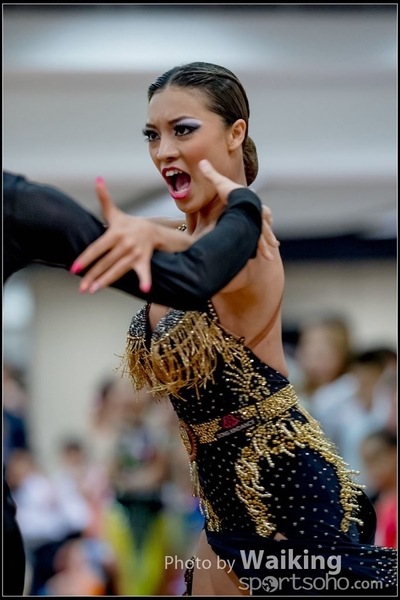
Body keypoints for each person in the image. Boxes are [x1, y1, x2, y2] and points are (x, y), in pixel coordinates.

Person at [3, 61, 397, 595]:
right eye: (152, 135)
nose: (163, 150)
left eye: (182, 130)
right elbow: (90, 241)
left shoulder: (248, 243)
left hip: (284, 489)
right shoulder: (182, 235)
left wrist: (240, 204)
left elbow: (200, 265)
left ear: (236, 133)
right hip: (220, 494)